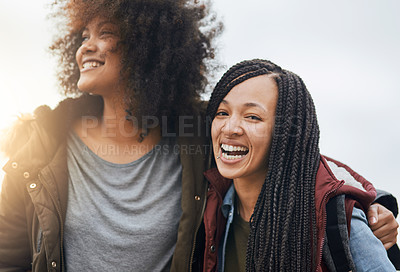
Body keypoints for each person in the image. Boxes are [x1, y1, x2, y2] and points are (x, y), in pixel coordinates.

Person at [0, 0, 397, 271]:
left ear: (146, 44)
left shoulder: (200, 134)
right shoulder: (40, 142)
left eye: (104, 31)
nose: (86, 46)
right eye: (82, 35)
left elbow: (296, 155)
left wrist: (373, 204)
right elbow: (8, 255)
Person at [200, 59, 399, 271]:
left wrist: (373, 203)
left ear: (285, 133)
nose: (230, 128)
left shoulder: (338, 219)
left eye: (252, 117)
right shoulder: (209, 201)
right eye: (222, 113)